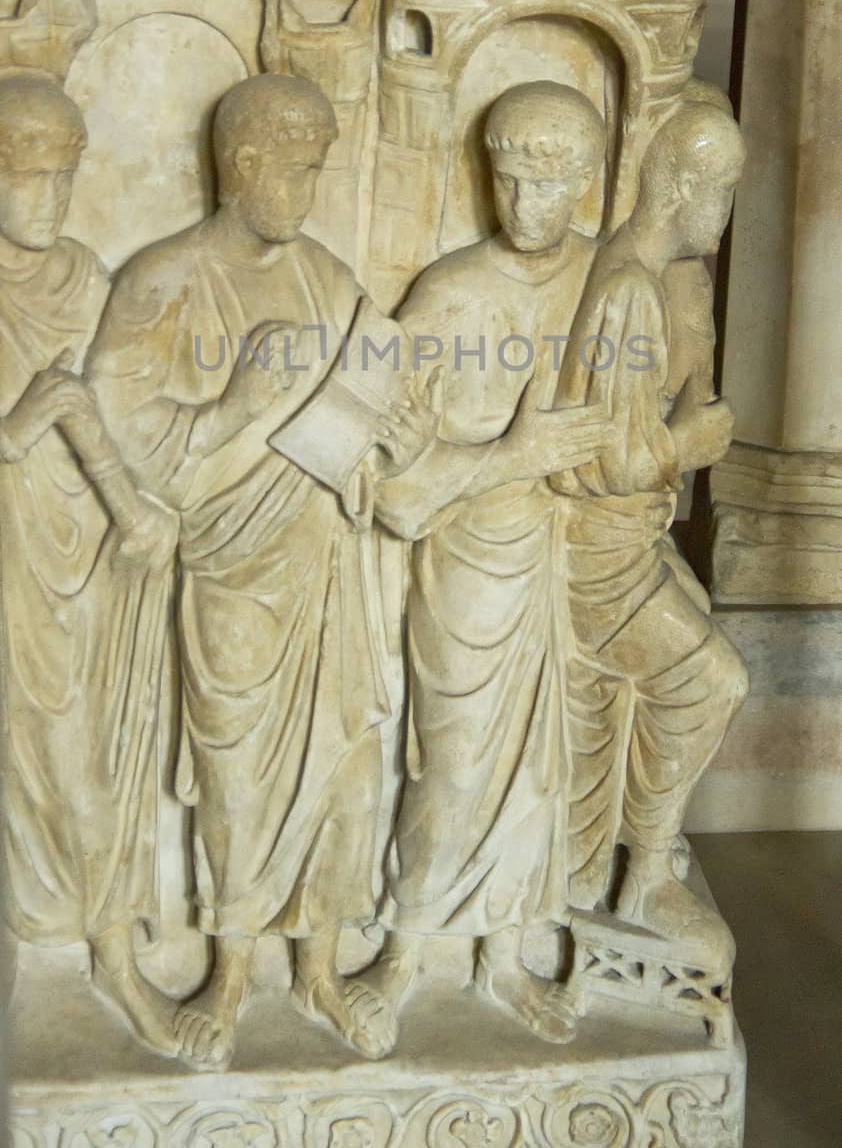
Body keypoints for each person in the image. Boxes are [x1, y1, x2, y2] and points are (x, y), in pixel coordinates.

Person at [88, 72, 421, 1070]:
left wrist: (391, 432)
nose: (312, 188)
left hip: (329, 561)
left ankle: (318, 968)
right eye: (301, 167)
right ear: (245, 164)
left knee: (348, 770)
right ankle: (230, 972)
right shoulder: (162, 279)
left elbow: (377, 391)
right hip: (233, 572)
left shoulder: (327, 276)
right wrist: (242, 400)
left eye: (320, 168)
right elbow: (128, 444)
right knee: (234, 775)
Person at [364, 82, 611, 1049]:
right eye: (509, 182)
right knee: (455, 764)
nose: (525, 208)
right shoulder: (450, 293)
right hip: (468, 568)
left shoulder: (605, 286)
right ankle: (405, 950)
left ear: (587, 186)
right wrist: (514, 453)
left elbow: (646, 423)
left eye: (549, 188)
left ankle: (506, 954)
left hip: (564, 559)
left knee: (542, 771)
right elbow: (395, 488)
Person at [0, 73, 179, 1056]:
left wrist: (139, 501)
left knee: (97, 762)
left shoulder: (85, 277)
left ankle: (116, 958)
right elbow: (41, 414)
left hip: (88, 557)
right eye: (28, 177)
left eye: (64, 177)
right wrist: (18, 426)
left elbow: (122, 405)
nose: (50, 198)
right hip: (7, 558)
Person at [553, 101, 749, 965]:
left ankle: (647, 848)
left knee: (699, 615)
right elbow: (593, 462)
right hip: (595, 552)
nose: (727, 210)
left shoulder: (668, 281)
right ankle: (644, 880)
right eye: (724, 189)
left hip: (639, 539)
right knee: (715, 680)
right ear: (679, 184)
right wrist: (687, 443)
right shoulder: (625, 288)